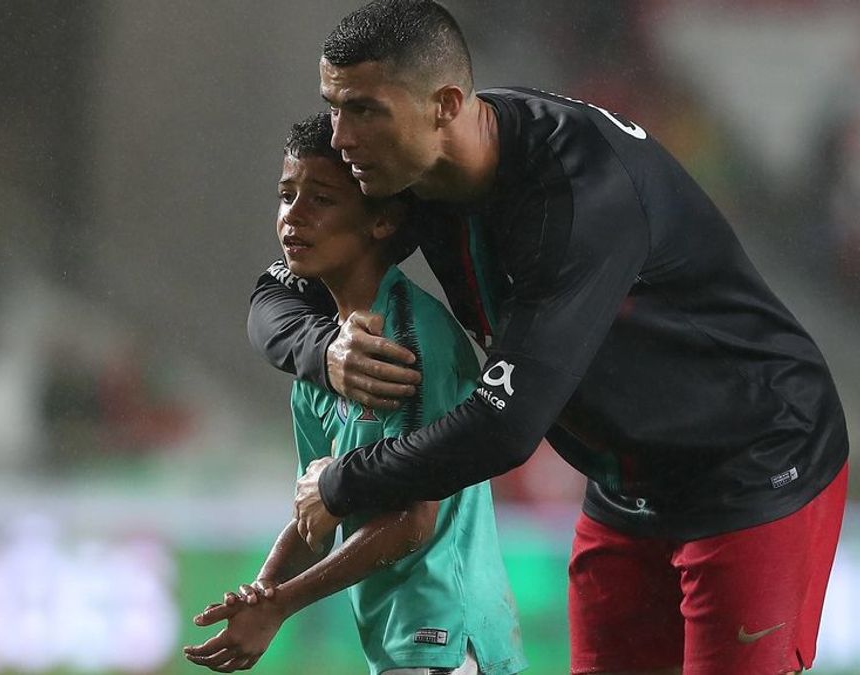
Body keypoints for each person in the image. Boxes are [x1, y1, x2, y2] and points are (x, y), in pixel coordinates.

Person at [246, 2, 850, 673]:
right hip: (627, 487)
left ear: (444, 104)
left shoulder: (576, 195)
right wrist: (322, 351)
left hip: (753, 464)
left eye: (363, 110)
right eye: (334, 106)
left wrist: (343, 484)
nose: (342, 136)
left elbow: (506, 428)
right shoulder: (407, 165)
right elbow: (276, 292)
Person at [186, 112, 527, 675]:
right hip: (403, 648)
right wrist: (265, 594)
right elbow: (318, 515)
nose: (292, 216)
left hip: (447, 640)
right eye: (286, 194)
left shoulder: (410, 341)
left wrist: (286, 603)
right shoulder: (324, 363)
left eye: (320, 199)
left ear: (382, 221)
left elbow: (415, 519)